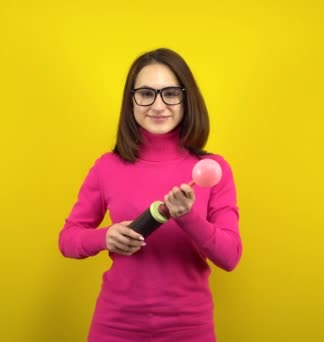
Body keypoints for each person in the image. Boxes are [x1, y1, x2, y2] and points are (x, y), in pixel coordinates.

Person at [58, 48, 242, 341]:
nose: (158, 105)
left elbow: (230, 256)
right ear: (131, 100)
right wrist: (104, 237)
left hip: (189, 328)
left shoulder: (212, 169)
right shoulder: (107, 166)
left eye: (170, 93)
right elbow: (67, 239)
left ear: (187, 98)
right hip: (115, 325)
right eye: (146, 93)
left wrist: (187, 217)